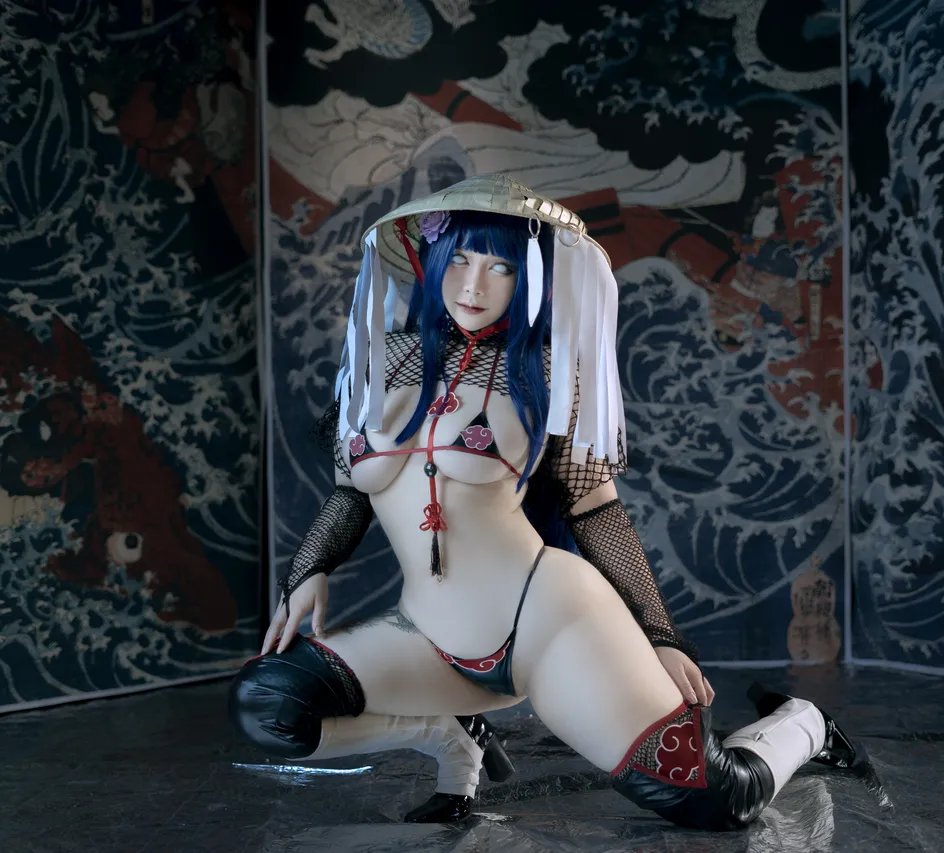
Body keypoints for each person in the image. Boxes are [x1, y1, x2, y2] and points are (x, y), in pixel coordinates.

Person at [229, 174, 860, 829]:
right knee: (269, 702)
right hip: (427, 637)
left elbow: (596, 511)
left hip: (553, 625)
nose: (474, 286)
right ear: (430, 259)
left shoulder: (548, 374)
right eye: (460, 260)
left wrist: (661, 637)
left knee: (713, 798)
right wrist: (308, 571)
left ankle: (806, 722)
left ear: (530, 276)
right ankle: (449, 738)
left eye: (501, 267)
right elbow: (350, 494)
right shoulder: (373, 363)